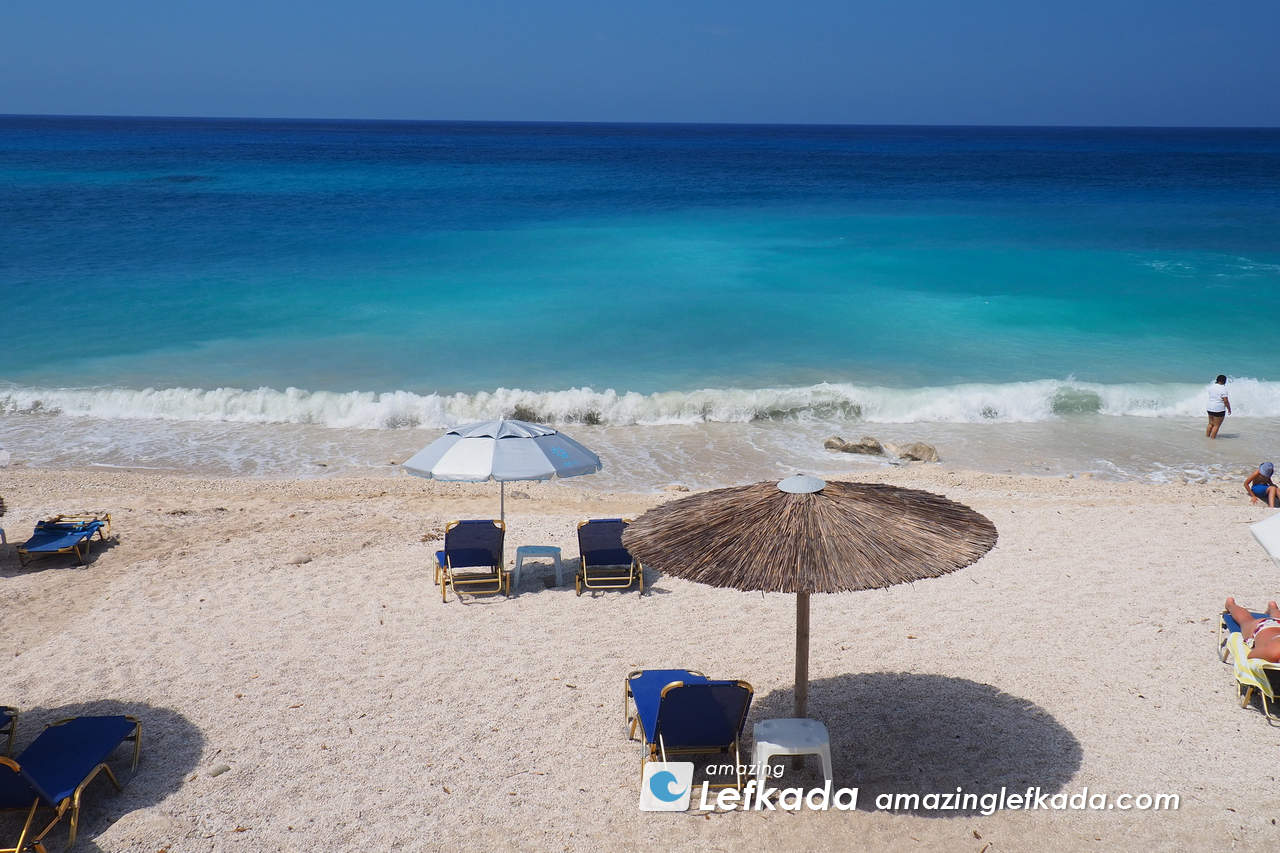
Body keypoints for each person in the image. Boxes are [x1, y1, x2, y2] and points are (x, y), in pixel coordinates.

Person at [1225, 597, 1280, 662]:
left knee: (1277, 619)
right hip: (1260, 628)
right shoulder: (1273, 652)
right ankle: (1230, 605)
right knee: (1245, 620)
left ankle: (1273, 607)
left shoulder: (1274, 651)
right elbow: (1251, 655)